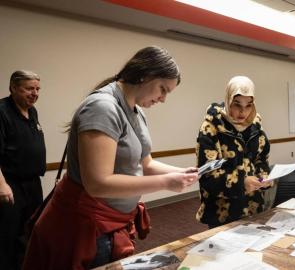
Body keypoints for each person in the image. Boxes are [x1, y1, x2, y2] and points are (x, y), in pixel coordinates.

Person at [23, 46, 199, 270]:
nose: (162, 99)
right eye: (162, 89)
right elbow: (98, 183)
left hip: (110, 222)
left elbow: (146, 163)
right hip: (86, 224)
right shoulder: (103, 107)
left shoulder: (136, 110)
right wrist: (166, 182)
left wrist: (179, 172)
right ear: (145, 75)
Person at [195, 76, 271, 228]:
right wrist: (242, 183)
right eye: (237, 105)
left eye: (249, 105)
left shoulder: (256, 127)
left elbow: (261, 160)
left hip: (253, 205)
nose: (243, 112)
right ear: (228, 100)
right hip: (222, 211)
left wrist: (263, 177)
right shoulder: (212, 127)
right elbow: (207, 175)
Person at [0, 70, 45, 270]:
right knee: (8, 235)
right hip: (10, 184)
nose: (35, 93)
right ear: (13, 88)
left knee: (31, 230)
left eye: (37, 89)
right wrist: (2, 185)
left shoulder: (32, 111)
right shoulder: (2, 111)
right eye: (29, 88)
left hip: (32, 183)